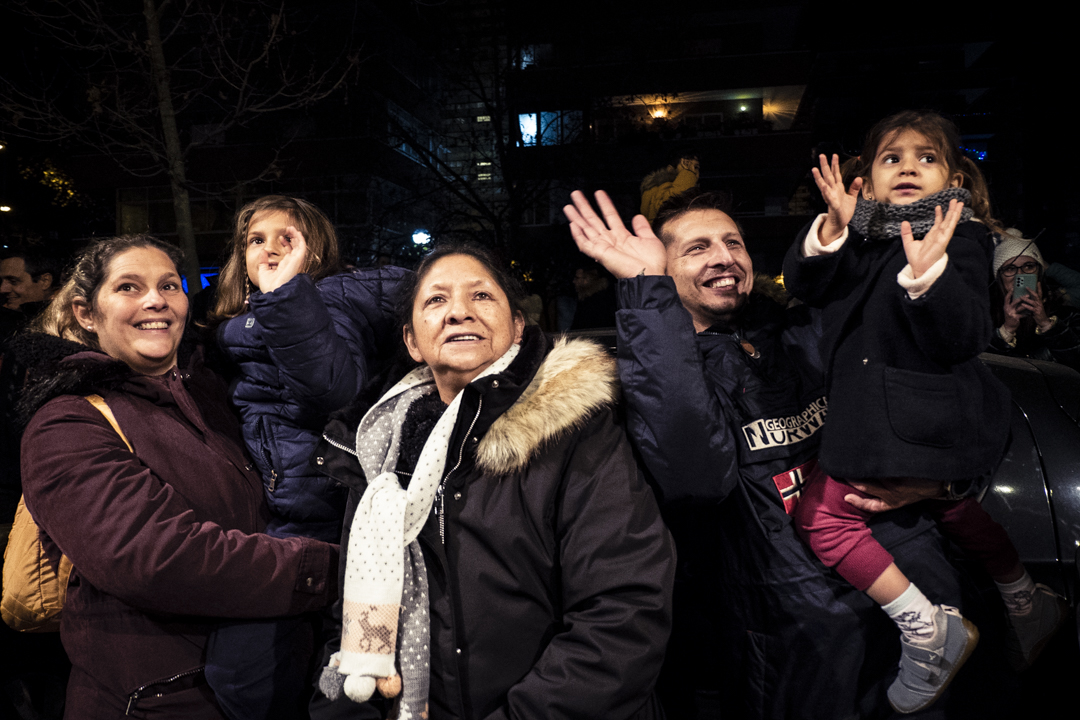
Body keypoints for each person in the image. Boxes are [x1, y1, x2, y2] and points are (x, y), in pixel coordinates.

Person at [565, 186, 1014, 719]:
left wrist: (943, 481)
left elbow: (964, 399)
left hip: (924, 620)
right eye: (698, 247)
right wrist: (645, 289)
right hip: (803, 650)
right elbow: (698, 473)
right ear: (663, 270)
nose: (724, 257)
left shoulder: (804, 333)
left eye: (734, 241)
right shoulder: (664, 368)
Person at [313, 243, 675, 719]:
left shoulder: (575, 430)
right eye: (436, 300)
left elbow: (623, 611)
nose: (459, 312)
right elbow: (347, 615)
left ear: (518, 327)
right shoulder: (379, 451)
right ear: (412, 342)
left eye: (481, 296)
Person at [783, 110, 1066, 713]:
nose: (909, 166)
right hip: (920, 426)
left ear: (953, 177)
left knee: (821, 516)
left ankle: (926, 630)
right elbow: (804, 283)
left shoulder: (957, 236)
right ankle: (1023, 600)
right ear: (865, 178)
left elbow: (964, 335)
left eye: (926, 157)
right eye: (892, 157)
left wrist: (927, 275)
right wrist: (832, 230)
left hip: (908, 425)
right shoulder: (858, 238)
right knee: (953, 506)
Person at [13, 234, 339, 719]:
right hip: (157, 700)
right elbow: (156, 558)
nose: (155, 301)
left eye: (170, 285)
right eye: (129, 287)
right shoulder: (68, 422)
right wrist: (330, 569)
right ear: (86, 313)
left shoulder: (212, 395)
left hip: (261, 687)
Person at [205, 195, 407, 719]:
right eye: (255, 239)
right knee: (245, 677)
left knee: (325, 688)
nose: (270, 248)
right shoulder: (239, 325)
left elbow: (331, 391)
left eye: (286, 237)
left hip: (330, 521)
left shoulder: (330, 297)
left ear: (315, 249)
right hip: (278, 522)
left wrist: (287, 295)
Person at [987, 228, 1080, 371]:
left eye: (1029, 266)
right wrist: (1006, 331)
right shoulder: (984, 317)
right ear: (999, 277)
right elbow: (980, 368)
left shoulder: (1067, 315)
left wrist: (1046, 324)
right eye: (1010, 269)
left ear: (1040, 271)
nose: (1020, 275)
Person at [640, 154, 700, 223]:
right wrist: (688, 173)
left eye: (696, 167)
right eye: (686, 164)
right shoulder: (657, 189)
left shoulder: (692, 188)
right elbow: (668, 206)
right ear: (670, 169)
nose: (692, 169)